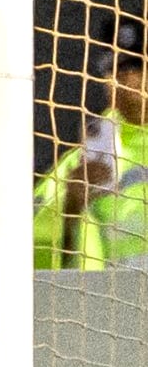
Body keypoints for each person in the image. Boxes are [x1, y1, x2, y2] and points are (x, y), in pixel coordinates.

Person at [41, 19, 148, 268]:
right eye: (115, 68)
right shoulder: (83, 160)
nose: (127, 78)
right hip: (110, 301)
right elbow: (30, 251)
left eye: (137, 66)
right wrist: (70, 206)